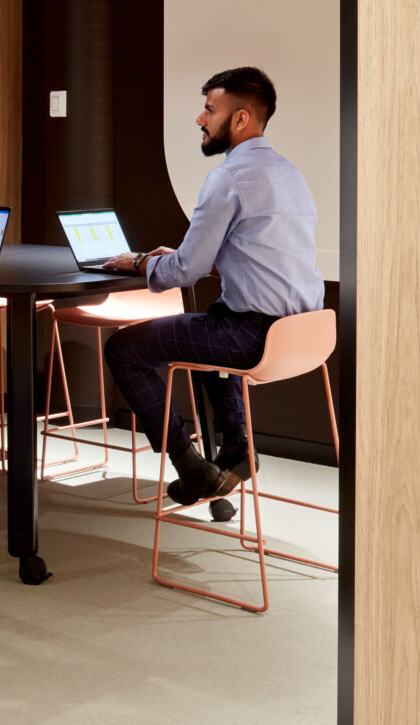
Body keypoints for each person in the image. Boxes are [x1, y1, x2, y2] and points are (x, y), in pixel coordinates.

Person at [102, 67, 323, 504]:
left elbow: (185, 272)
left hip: (251, 336)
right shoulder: (289, 173)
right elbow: (266, 256)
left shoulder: (230, 177)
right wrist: (187, 259)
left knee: (122, 350)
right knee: (212, 324)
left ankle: (192, 467)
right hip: (304, 334)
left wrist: (141, 261)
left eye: (209, 109)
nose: (201, 119)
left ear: (240, 119)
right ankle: (238, 445)